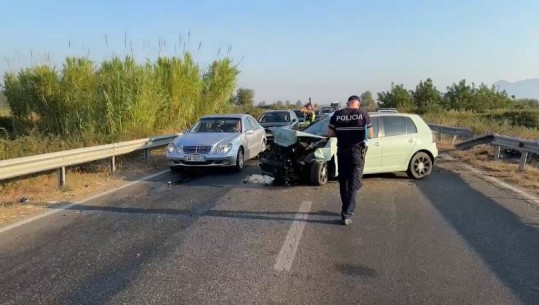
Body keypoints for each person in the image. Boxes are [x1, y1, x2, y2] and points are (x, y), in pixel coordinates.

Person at [327, 95, 373, 225]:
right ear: (358, 104)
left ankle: (344, 209)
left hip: (341, 151)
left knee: (343, 182)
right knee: (354, 184)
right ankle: (347, 214)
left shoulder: (337, 115)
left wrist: (341, 133)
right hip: (356, 152)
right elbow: (370, 135)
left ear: (348, 103)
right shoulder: (363, 114)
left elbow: (330, 134)